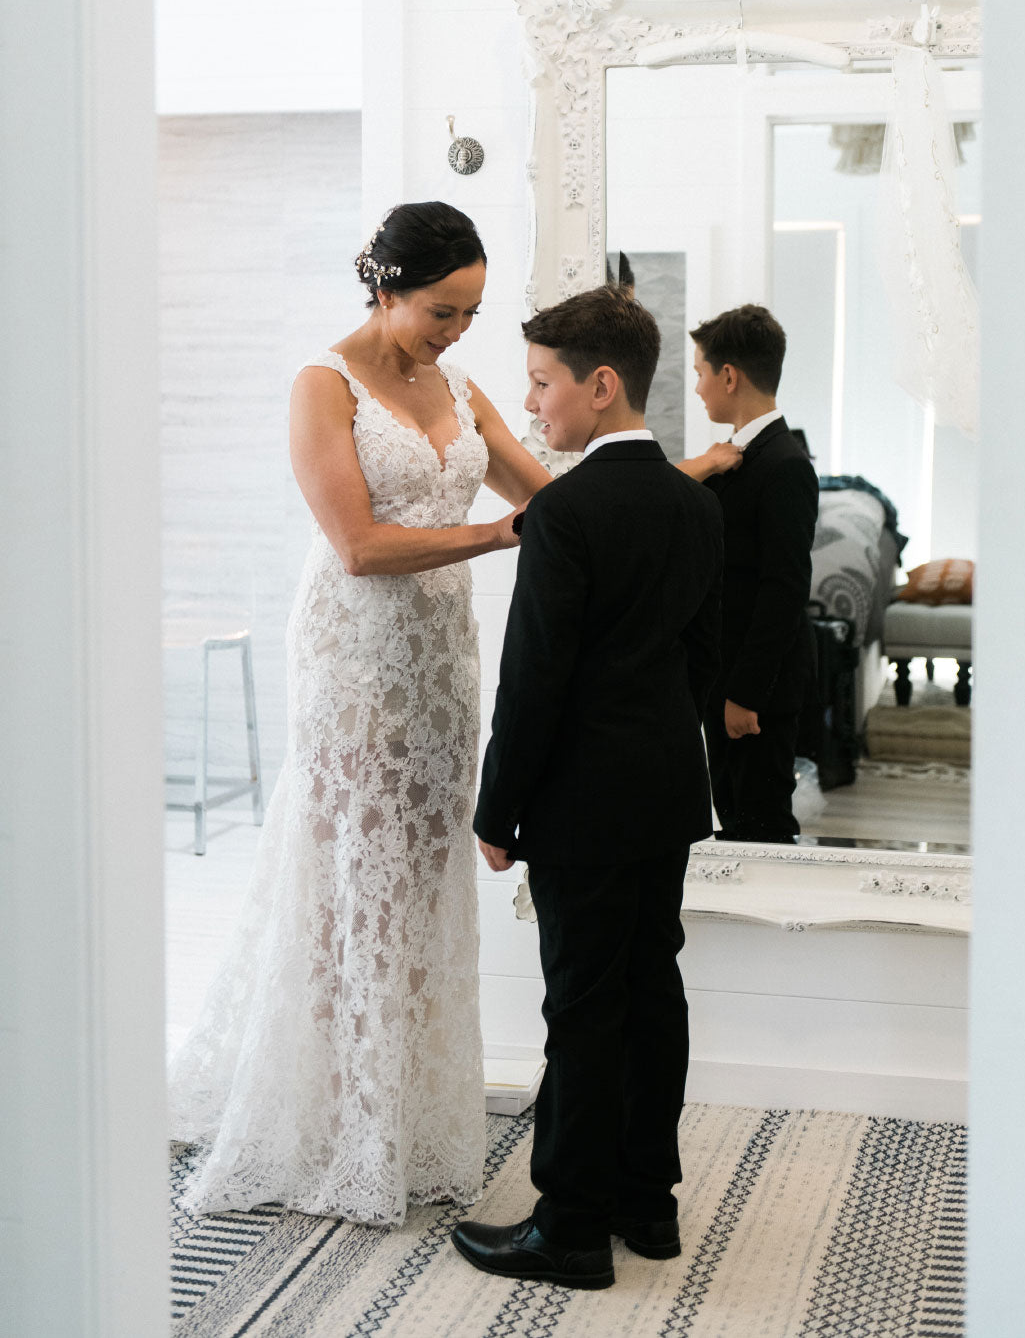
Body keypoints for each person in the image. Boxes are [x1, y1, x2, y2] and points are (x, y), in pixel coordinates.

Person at [168, 201, 551, 1224]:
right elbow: (360, 547)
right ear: (383, 288)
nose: (457, 331)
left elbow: (545, 493)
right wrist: (496, 536)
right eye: (441, 310)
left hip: (442, 665)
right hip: (355, 660)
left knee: (422, 883)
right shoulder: (320, 385)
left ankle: (415, 1115)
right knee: (352, 884)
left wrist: (665, 484)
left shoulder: (460, 386)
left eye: (470, 312)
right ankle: (344, 1121)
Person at [451, 285, 725, 1290]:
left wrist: (497, 806)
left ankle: (567, 1228)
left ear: (600, 386)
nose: (532, 407)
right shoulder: (697, 504)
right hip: (663, 791)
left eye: (541, 384)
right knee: (652, 993)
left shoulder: (564, 513)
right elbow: (702, 661)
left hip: (582, 801)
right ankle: (647, 1206)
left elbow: (535, 681)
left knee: (582, 1007)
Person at [678, 303, 818, 845]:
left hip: (755, 686)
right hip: (726, 675)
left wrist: (746, 694)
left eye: (699, 373)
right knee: (734, 817)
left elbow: (783, 589)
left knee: (762, 826)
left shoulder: (784, 465)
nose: (697, 388)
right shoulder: (732, 455)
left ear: (729, 376)